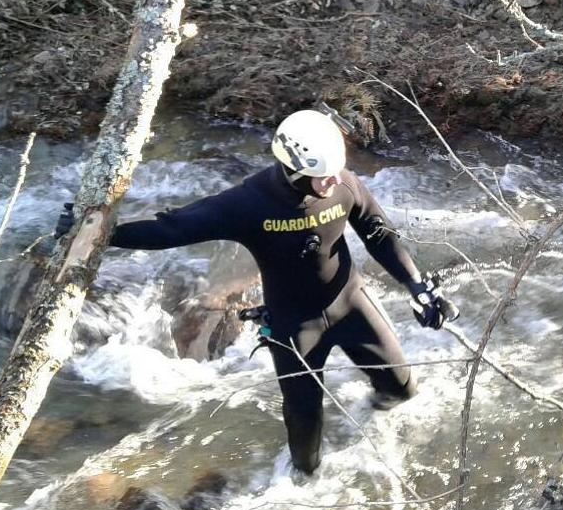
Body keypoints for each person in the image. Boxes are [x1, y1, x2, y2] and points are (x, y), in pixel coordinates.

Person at [56, 108, 458, 474]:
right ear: (293, 169)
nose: (334, 180)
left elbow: (379, 234)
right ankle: (305, 491)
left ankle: (372, 427)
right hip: (293, 325)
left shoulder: (343, 185)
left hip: (350, 303)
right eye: (324, 175)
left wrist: (417, 286)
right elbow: (171, 229)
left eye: (338, 170)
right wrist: (97, 232)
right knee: (306, 445)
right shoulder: (248, 204)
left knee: (400, 391)